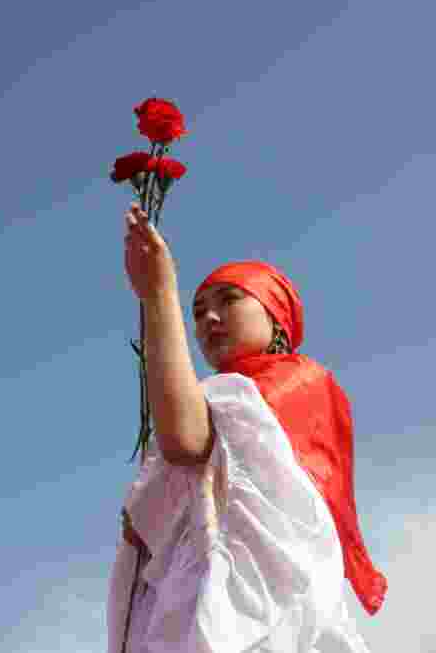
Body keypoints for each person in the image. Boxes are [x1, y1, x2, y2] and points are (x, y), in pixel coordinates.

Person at [107, 203, 387, 652]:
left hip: (255, 616)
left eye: (229, 300)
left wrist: (159, 294)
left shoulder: (294, 382)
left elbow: (185, 439)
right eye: (197, 311)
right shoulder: (220, 396)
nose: (208, 319)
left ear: (276, 314)